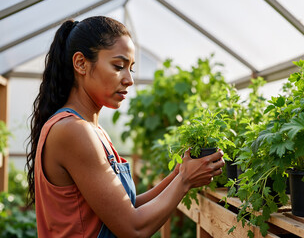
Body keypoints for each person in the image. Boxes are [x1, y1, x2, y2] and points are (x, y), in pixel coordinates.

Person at [25, 16, 225, 238]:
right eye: (118, 66)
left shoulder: (92, 130)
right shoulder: (73, 131)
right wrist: (185, 181)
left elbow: (127, 207)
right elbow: (133, 228)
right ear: (81, 63)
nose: (129, 79)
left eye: (131, 68)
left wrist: (178, 173)